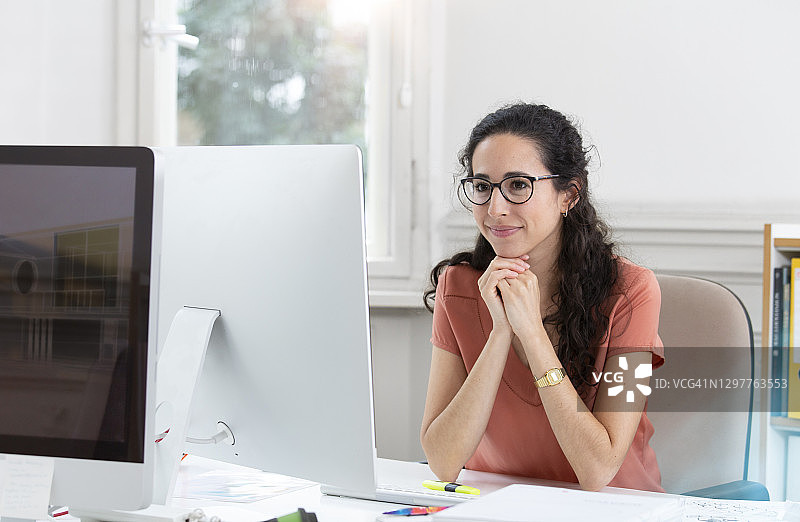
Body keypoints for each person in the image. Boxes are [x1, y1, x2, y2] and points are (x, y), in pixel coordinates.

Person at [420, 103, 664, 493]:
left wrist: (531, 333)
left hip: (613, 510)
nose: (495, 209)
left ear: (569, 194)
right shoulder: (459, 286)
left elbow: (599, 468)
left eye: (519, 185)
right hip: (498, 506)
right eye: (482, 187)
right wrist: (501, 331)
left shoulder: (635, 293)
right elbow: (443, 462)